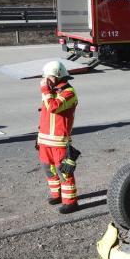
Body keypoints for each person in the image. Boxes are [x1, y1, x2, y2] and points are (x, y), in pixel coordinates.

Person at [37, 61, 79, 214]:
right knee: (49, 170)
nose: (45, 80)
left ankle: (71, 202)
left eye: (48, 77)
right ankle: (57, 194)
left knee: (64, 172)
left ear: (57, 76)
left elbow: (53, 107)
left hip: (59, 142)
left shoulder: (69, 92)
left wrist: (45, 89)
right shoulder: (51, 91)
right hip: (45, 140)